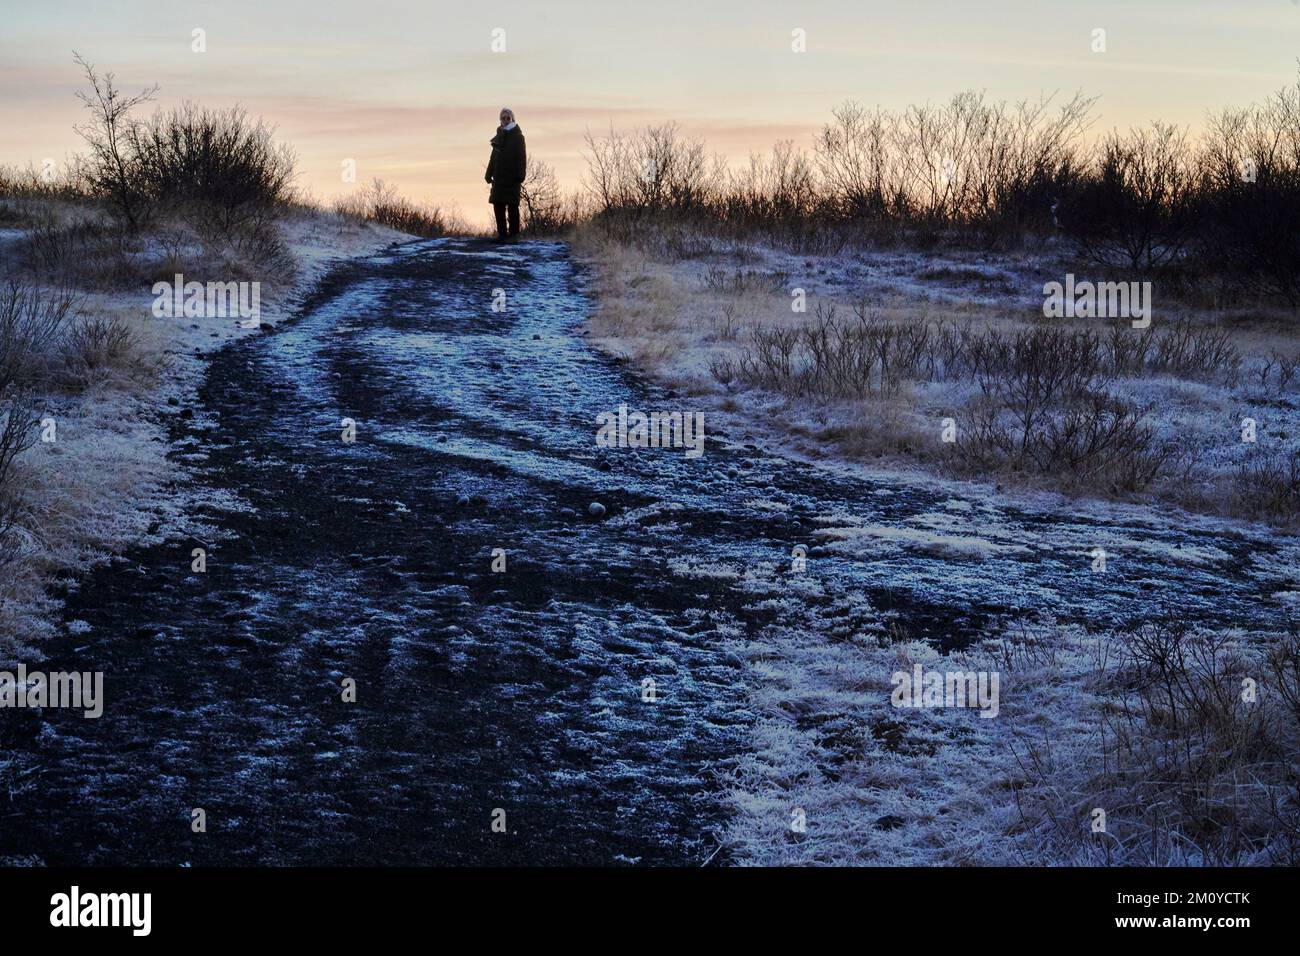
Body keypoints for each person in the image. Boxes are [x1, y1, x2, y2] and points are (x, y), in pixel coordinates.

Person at [485, 108, 526, 241]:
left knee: (513, 206)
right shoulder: (499, 135)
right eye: (503, 118)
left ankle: (514, 235)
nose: (505, 120)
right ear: (500, 120)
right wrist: (488, 173)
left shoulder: (518, 136)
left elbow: (521, 157)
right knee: (498, 205)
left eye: (508, 118)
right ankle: (502, 235)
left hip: (512, 177)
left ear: (512, 119)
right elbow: (493, 156)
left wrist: (520, 175)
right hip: (499, 177)